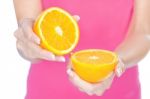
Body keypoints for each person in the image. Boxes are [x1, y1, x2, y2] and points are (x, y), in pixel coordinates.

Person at [13, 0, 150, 99]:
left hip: (122, 93)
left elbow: (142, 32)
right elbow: (29, 32)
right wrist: (28, 45)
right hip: (46, 92)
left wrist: (116, 62)